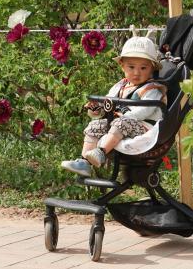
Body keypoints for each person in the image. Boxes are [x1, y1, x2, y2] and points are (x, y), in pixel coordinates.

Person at [61, 35, 166, 177]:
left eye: (143, 68)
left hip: (144, 129)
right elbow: (108, 105)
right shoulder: (120, 86)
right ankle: (84, 162)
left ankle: (101, 152)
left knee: (120, 122)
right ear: (122, 65)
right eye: (131, 67)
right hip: (119, 124)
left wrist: (119, 116)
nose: (136, 72)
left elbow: (144, 111)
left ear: (152, 68)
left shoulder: (152, 89)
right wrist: (97, 109)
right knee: (95, 125)